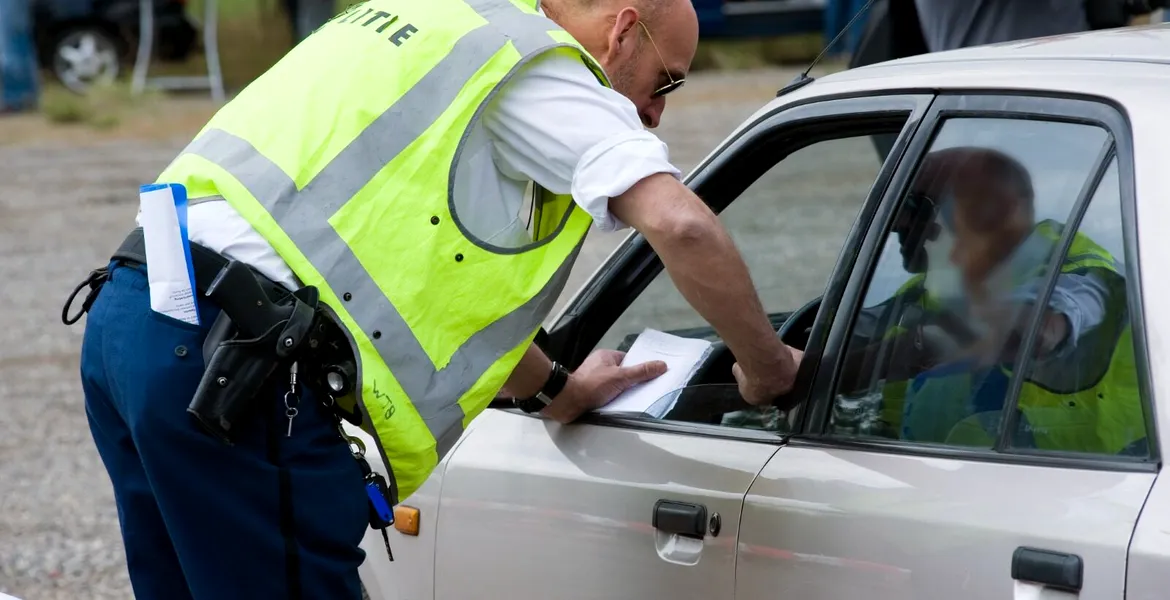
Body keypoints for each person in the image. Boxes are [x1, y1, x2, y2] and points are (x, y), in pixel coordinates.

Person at [61, 0, 803, 598]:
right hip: (241, 372)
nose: (655, 113)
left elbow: (403, 280)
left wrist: (557, 389)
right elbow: (681, 224)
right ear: (620, 31)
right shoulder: (541, 68)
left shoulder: (431, 20)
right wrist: (766, 367)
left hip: (137, 322)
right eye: (666, 82)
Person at [837, 147, 1143, 452]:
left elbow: (1031, 330)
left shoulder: (1081, 276)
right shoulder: (939, 287)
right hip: (943, 485)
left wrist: (888, 357)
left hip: (1085, 485)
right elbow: (852, 336)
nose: (896, 224)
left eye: (915, 206)